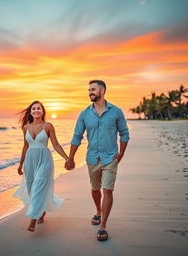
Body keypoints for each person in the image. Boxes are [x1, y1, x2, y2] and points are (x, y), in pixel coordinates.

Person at [65, 80, 130, 241]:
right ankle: (98, 210)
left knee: (107, 190)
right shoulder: (84, 114)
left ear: (102, 91)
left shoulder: (116, 112)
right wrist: (71, 158)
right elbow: (76, 137)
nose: (90, 92)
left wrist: (121, 154)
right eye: (89, 90)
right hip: (92, 158)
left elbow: (125, 133)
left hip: (110, 158)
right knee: (95, 189)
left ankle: (103, 226)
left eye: (93, 90)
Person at [13, 100, 68, 232]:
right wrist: (20, 164)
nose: (36, 110)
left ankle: (32, 221)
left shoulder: (48, 126)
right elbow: (25, 147)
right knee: (32, 189)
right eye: (34, 109)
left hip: (44, 159)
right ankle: (41, 211)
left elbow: (56, 144)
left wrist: (67, 158)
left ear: (42, 111)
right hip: (30, 161)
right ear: (30, 112)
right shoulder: (26, 127)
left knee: (38, 186)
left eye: (39, 108)